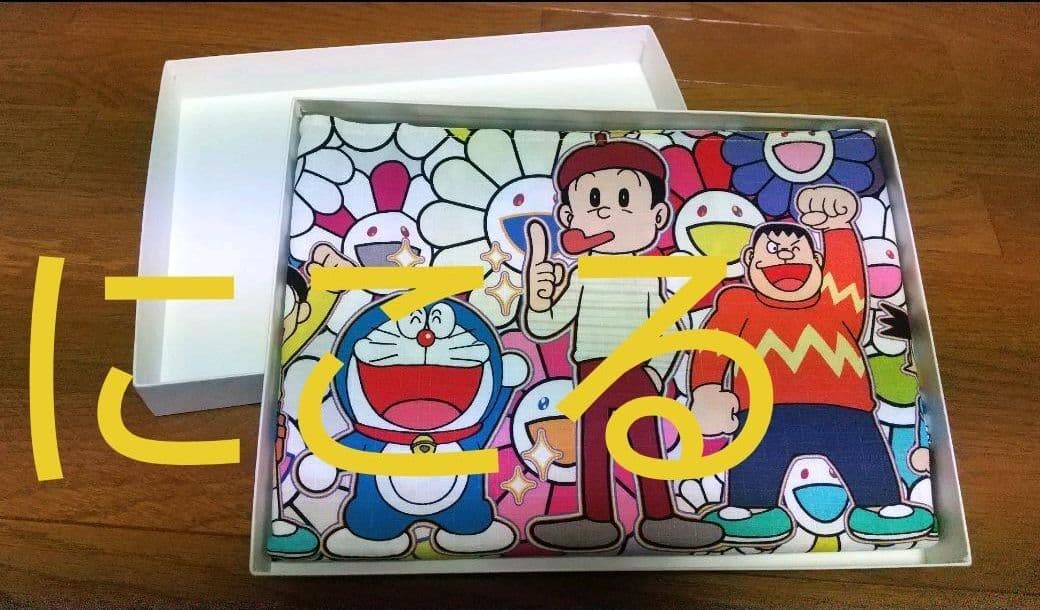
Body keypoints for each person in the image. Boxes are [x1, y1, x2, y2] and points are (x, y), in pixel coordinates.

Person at [690, 185, 934, 546]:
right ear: (750, 262)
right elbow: (714, 345)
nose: (785, 257)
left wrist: (837, 228)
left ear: (819, 263)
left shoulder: (836, 304)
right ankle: (750, 509)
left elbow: (849, 278)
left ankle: (881, 506)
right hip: (762, 409)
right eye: (772, 252)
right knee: (755, 467)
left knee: (866, 461)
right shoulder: (739, 304)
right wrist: (708, 389)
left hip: (846, 408)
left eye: (797, 252)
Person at [522, 132, 724, 552]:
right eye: (593, 200)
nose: (606, 211)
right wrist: (537, 298)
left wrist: (655, 371)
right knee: (593, 443)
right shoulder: (582, 274)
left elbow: (673, 325)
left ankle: (660, 518)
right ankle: (596, 519)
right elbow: (546, 326)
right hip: (592, 371)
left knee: (646, 441)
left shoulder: (647, 276)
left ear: (658, 216)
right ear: (568, 216)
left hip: (638, 371)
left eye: (625, 200)